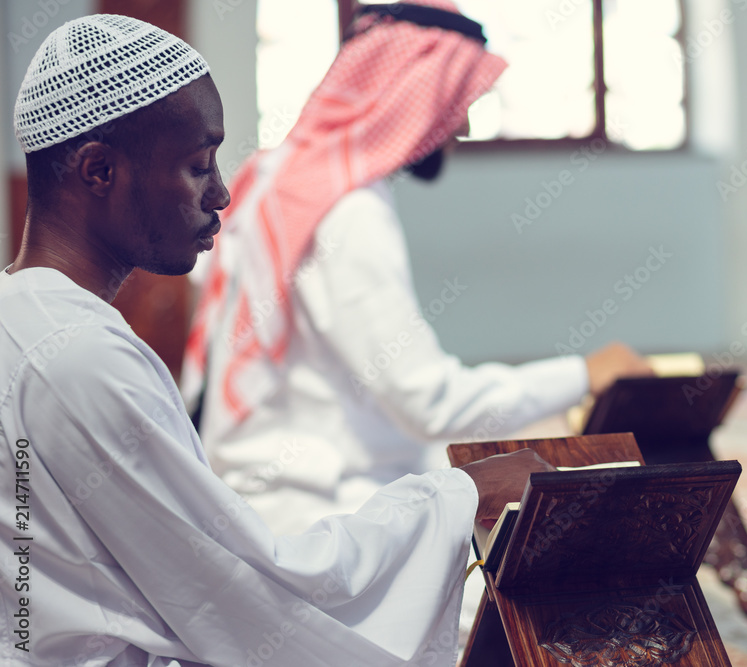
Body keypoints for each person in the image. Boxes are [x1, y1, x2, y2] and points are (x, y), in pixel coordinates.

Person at [0, 14, 552, 666]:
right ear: (99, 171)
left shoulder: (26, 317)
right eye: (197, 165)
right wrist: (465, 493)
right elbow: (250, 587)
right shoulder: (80, 357)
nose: (224, 192)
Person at [182, 0, 652, 535]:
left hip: (252, 485)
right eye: (459, 99)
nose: (466, 123)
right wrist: (583, 373)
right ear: (417, 92)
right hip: (323, 515)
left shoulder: (268, 174)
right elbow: (427, 403)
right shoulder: (346, 208)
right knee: (552, 563)